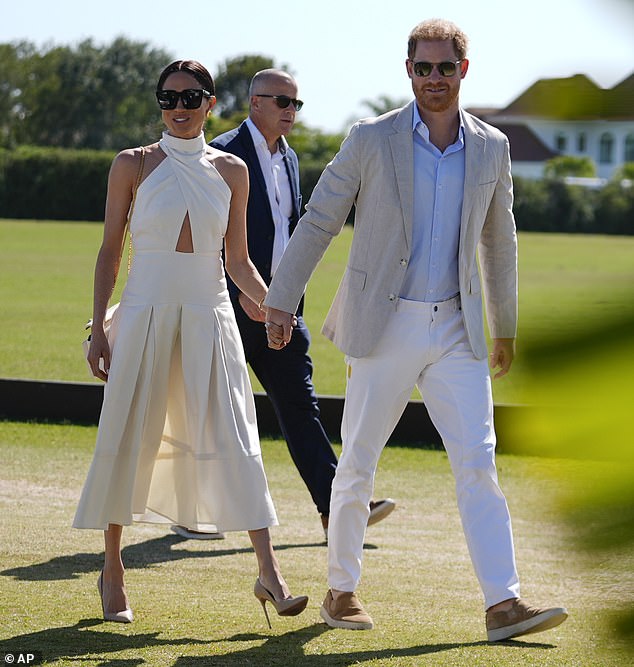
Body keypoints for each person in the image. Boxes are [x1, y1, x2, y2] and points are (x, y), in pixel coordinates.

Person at [264, 20, 568, 642]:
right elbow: (320, 219)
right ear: (408, 71)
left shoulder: (492, 147)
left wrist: (503, 327)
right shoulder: (370, 139)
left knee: (478, 463)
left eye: (445, 67)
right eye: (423, 68)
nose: (434, 78)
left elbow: (498, 240)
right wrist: (280, 301)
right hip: (384, 324)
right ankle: (341, 590)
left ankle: (502, 604)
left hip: (457, 329)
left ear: (464, 69)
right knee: (357, 464)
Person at [73, 59, 307, 627]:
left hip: (211, 314)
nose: (179, 108)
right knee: (128, 432)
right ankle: (112, 570)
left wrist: (274, 309)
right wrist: (98, 326)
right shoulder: (132, 163)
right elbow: (109, 251)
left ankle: (269, 574)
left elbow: (238, 261)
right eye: (169, 97)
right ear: (160, 103)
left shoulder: (231, 171)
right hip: (146, 312)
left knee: (237, 434)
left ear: (210, 103)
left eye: (191, 97)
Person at [171, 68, 395, 543]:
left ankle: (335, 509)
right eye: (283, 103)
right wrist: (243, 296)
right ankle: (190, 510)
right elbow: (204, 236)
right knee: (213, 406)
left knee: (299, 402)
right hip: (226, 303)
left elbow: (291, 231)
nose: (291, 112)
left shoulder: (289, 159)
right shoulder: (223, 154)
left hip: (279, 305)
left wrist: (282, 299)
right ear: (255, 103)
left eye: (296, 104)